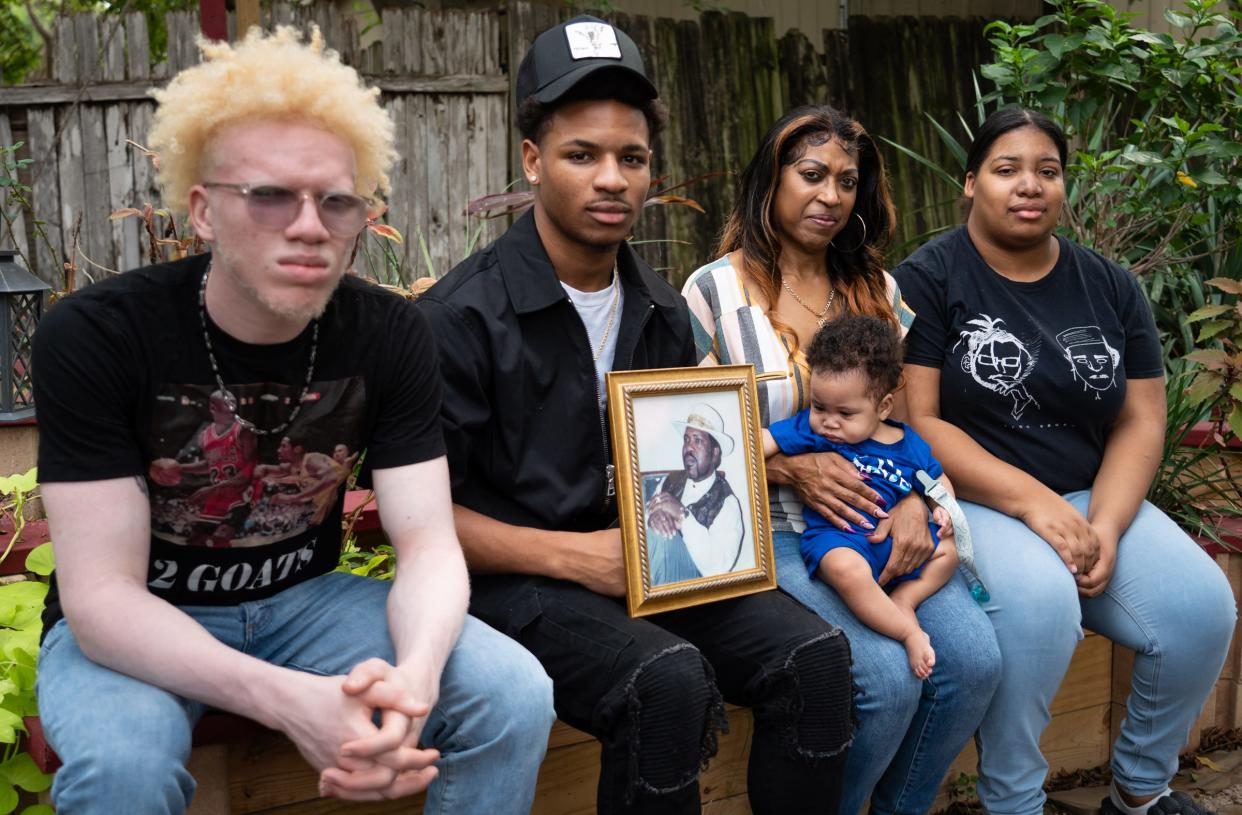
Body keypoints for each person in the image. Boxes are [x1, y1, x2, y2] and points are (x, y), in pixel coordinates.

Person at [31, 27, 553, 814]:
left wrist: (413, 676)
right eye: (270, 194)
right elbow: (101, 598)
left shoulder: (391, 331)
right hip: (144, 614)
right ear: (203, 210)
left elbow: (428, 544)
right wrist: (289, 701)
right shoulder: (99, 333)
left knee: (512, 693)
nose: (309, 225)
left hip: (306, 603)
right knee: (123, 770)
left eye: (336, 200)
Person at [417, 16, 854, 815]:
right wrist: (579, 558)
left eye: (633, 157)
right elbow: (419, 518)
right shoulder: (461, 317)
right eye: (582, 155)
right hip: (514, 579)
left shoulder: (661, 309)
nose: (611, 178)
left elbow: (681, 463)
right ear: (532, 161)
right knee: (666, 681)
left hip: (646, 562)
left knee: (819, 659)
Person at [894, 106, 1236, 815]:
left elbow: (1142, 416)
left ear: (1064, 187)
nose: (1030, 186)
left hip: (1088, 493)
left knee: (1204, 607)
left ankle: (1140, 787)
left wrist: (1105, 525)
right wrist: (1033, 503)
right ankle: (1012, 800)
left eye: (1047, 172)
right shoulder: (929, 277)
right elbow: (919, 418)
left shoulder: (1109, 285)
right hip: (974, 503)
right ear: (970, 183)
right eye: (1007, 169)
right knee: (1043, 606)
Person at [681, 104, 1002, 814]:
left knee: (976, 663)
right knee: (885, 678)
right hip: (777, 530)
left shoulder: (880, 292)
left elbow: (909, 420)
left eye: (847, 181)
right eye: (811, 174)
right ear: (772, 177)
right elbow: (693, 439)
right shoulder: (712, 292)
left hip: (887, 515)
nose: (830, 195)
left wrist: (917, 500)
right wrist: (788, 466)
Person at [761, 315, 959, 680]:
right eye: (820, 407)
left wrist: (941, 508)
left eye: (845, 413)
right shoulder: (810, 430)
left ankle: (906, 599)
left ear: (883, 408)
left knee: (951, 551)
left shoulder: (907, 442)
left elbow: (937, 480)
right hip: (841, 537)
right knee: (844, 570)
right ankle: (907, 631)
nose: (828, 422)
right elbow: (761, 443)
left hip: (896, 538)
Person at [646, 404, 748, 584]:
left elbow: (718, 567)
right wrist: (652, 518)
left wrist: (682, 515)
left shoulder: (727, 503)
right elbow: (645, 514)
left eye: (698, 441)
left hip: (692, 586)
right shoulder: (670, 480)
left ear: (715, 454)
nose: (688, 448)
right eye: (686, 440)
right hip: (655, 563)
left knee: (658, 540)